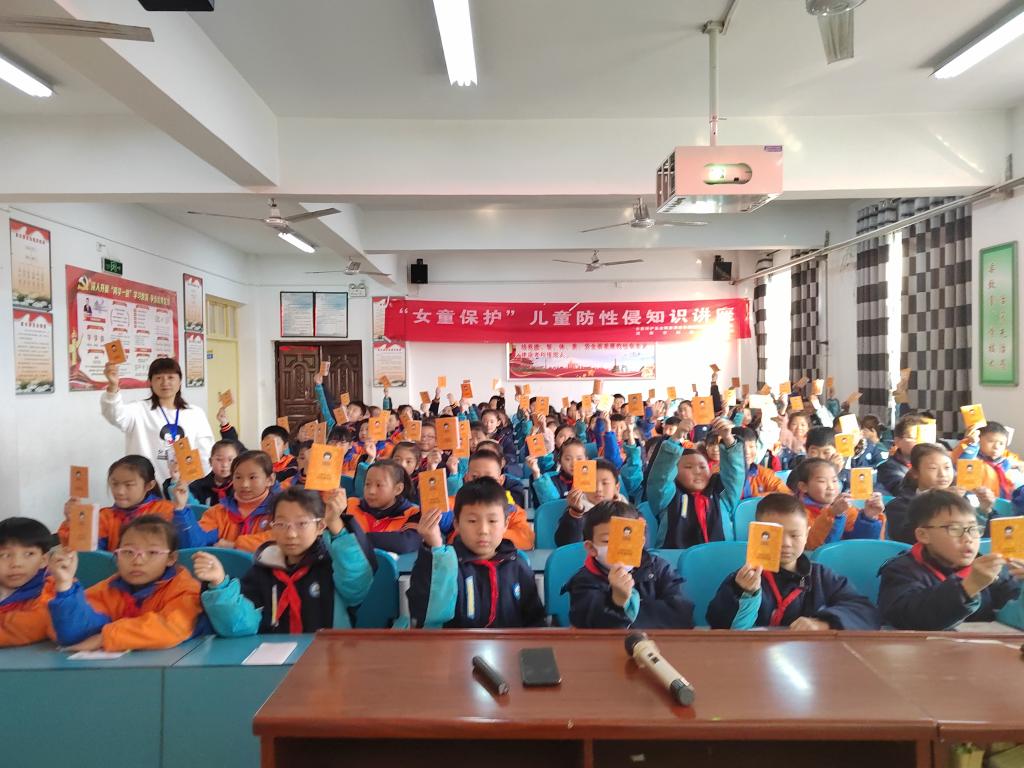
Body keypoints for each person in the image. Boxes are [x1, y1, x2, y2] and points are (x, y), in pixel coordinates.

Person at [194, 488, 377, 634]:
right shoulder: (264, 567)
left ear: (320, 526)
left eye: (302, 523)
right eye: (281, 524)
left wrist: (335, 524)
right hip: (275, 661)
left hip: (329, 657)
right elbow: (242, 624)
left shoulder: (334, 563)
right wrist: (219, 585)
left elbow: (356, 585)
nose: (291, 534)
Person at [706, 493, 880, 630]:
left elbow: (866, 612)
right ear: (758, 535)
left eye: (795, 535)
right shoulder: (742, 579)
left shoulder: (821, 576)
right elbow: (718, 624)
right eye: (775, 535)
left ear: (806, 534)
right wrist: (743, 593)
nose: (785, 544)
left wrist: (824, 623)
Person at [47, 516, 206, 650]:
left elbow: (172, 627)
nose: (137, 561)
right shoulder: (107, 590)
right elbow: (70, 634)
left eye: (152, 552)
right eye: (128, 552)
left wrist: (105, 638)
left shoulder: (184, 589)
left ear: (171, 558)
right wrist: (65, 588)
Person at [408, 478, 545, 629]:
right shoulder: (446, 562)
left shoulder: (517, 564)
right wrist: (434, 549)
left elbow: (535, 620)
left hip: (510, 643)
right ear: (457, 524)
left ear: (505, 524)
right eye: (472, 521)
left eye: (492, 521)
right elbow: (424, 611)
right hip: (456, 642)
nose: (483, 530)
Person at [878, 490, 1024, 630]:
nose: (968, 538)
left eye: (973, 529)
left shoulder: (991, 569)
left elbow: (1011, 612)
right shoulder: (901, 570)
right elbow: (908, 617)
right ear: (923, 535)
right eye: (955, 529)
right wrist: (968, 587)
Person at [564, 500, 694, 629]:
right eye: (607, 541)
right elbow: (587, 624)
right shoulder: (583, 581)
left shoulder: (659, 569)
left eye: (627, 539)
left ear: (641, 542)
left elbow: (682, 614)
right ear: (591, 548)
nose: (619, 547)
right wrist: (617, 603)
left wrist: (630, 612)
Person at [100, 357, 214, 484]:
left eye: (170, 377)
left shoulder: (195, 413)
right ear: (150, 382)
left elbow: (205, 453)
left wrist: (197, 485)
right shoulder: (138, 410)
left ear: (180, 381)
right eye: (159, 378)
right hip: (146, 487)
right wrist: (113, 387)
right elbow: (113, 414)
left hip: (185, 487)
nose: (165, 382)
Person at [646, 417, 744, 548]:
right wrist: (677, 435)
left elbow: (735, 475)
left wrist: (728, 438)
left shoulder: (721, 495)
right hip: (673, 560)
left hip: (720, 559)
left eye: (703, 467)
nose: (698, 471)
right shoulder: (666, 497)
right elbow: (661, 475)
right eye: (688, 467)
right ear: (674, 473)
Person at [885, 443, 996, 544]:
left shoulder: (966, 498)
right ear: (915, 473)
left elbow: (986, 538)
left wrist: (986, 510)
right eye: (933, 468)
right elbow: (906, 537)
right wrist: (937, 504)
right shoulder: (899, 505)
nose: (942, 474)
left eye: (947, 467)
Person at [60, 455, 174, 552]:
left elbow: (179, 550)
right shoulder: (104, 516)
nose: (120, 491)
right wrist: (72, 523)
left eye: (129, 485)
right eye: (115, 484)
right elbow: (86, 556)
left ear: (149, 485)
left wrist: (181, 511)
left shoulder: (166, 510)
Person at [172, 450, 279, 552]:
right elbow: (194, 544)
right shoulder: (219, 513)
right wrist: (181, 509)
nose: (244, 484)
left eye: (252, 477)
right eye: (238, 477)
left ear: (270, 479)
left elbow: (281, 539)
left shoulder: (279, 510)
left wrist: (235, 545)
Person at [792, 458, 886, 550]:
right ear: (803, 486)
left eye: (834, 480)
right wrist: (834, 515)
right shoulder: (798, 514)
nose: (831, 486)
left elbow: (862, 546)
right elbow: (814, 547)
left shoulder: (846, 509)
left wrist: (869, 517)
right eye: (822, 481)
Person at [457, 450, 535, 550]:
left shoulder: (512, 510)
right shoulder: (455, 504)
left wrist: (491, 533)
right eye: (475, 477)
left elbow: (525, 540)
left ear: (501, 480)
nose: (482, 483)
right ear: (467, 478)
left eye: (489, 478)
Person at [545, 458, 629, 546]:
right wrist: (575, 513)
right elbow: (566, 544)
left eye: (605, 483)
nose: (598, 489)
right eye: (592, 483)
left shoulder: (627, 511)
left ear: (617, 488)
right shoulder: (576, 509)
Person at [0, 517, 56, 646]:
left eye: (29, 554)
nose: (16, 564)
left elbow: (33, 626)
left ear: (44, 560)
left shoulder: (52, 589)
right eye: (5, 555)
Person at [346, 460, 421, 553]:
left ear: (398, 489)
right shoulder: (351, 504)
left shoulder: (412, 514)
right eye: (367, 484)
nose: (371, 491)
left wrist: (355, 539)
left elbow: (407, 543)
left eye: (379, 485)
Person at [952, 421, 1024, 500]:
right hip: (977, 500)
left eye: (1001, 443)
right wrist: (973, 444)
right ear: (979, 440)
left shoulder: (1003, 461)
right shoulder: (972, 458)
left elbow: (1014, 462)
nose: (996, 447)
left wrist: (1018, 465)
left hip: (1000, 501)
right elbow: (966, 460)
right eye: (991, 441)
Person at [876, 414, 930, 496]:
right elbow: (903, 491)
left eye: (924, 437)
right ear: (898, 441)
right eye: (914, 437)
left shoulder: (936, 462)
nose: (921, 442)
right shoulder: (888, 467)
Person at [734, 427, 791, 498]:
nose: (747, 452)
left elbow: (787, 494)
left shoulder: (764, 474)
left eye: (751, 447)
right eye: (742, 447)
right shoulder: (722, 475)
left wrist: (758, 498)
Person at [189, 439, 242, 506]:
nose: (225, 464)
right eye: (219, 459)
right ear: (210, 461)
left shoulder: (241, 487)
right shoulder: (197, 487)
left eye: (230, 460)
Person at [532, 438, 588, 502]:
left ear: (586, 460)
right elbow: (550, 504)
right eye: (568, 459)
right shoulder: (550, 482)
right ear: (560, 460)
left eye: (579, 459)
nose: (574, 464)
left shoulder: (594, 481)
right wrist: (536, 473)